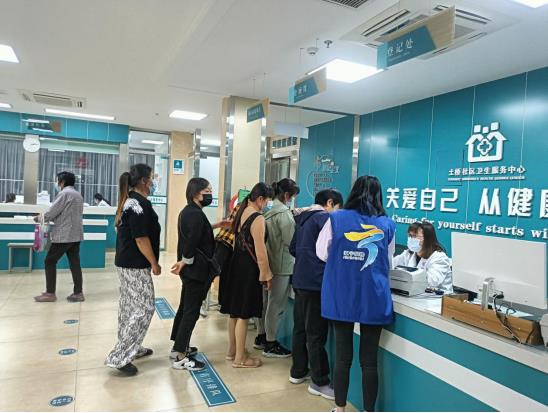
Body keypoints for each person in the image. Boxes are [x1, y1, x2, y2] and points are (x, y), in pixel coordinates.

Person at [316, 176, 396, 412]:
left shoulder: (336, 218)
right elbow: (389, 262)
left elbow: (321, 253)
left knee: (343, 357)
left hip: (342, 293)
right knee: (369, 361)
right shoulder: (387, 224)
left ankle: (340, 408)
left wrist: (344, 261)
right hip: (374, 296)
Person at [105, 164, 161, 376]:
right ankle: (120, 356)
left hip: (125, 262)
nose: (153, 182)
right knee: (145, 307)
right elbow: (141, 238)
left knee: (129, 306)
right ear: (144, 181)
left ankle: (132, 347)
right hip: (135, 264)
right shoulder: (139, 204)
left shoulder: (128, 201)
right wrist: (154, 263)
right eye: (152, 178)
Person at [169, 178, 230, 371]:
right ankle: (180, 356)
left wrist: (217, 224)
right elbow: (191, 241)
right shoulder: (194, 214)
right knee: (191, 311)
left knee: (185, 308)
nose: (210, 195)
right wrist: (185, 261)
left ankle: (178, 346)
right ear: (196, 193)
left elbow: (197, 232)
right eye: (207, 191)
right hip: (196, 271)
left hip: (191, 270)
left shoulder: (189, 211)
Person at [289, 189, 343, 400]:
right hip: (316, 282)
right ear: (330, 203)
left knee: (300, 329)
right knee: (316, 333)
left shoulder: (303, 218)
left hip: (300, 279)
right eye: (337, 207)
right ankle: (320, 381)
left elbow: (293, 248)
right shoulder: (324, 219)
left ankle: (298, 371)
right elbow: (331, 252)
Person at [220, 183, 274, 368]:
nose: (267, 205)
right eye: (267, 201)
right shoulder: (257, 218)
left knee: (234, 313)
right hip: (248, 270)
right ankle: (240, 359)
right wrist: (266, 275)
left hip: (236, 266)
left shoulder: (241, 211)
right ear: (260, 199)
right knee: (244, 314)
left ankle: (233, 351)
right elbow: (260, 251)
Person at [255, 178, 300, 358]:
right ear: (287, 195)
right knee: (276, 305)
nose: (292, 200)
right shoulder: (284, 215)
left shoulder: (266, 210)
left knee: (264, 302)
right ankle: (271, 343)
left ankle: (261, 336)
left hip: (267, 263)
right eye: (292, 197)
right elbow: (291, 242)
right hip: (282, 265)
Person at [34, 172, 85, 303]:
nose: (57, 183)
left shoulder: (64, 194)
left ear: (62, 182)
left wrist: (39, 218)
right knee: (74, 263)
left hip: (64, 235)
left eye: (58, 181)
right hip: (76, 235)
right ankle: (78, 292)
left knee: (49, 261)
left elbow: (52, 212)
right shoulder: (78, 195)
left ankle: (50, 293)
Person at [393, 222, 453, 292]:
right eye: (410, 235)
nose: (411, 239)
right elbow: (392, 264)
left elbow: (432, 281)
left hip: (438, 296)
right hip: (414, 292)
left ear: (427, 239)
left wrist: (404, 276)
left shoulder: (439, 257)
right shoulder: (409, 253)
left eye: (415, 236)